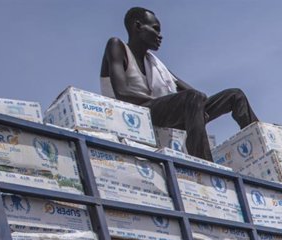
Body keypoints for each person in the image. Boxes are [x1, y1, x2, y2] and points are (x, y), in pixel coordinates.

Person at [101, 7, 259, 161]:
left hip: (160, 112)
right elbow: (122, 93)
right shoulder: (117, 46)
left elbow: (192, 92)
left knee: (234, 95)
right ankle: (204, 163)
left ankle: (263, 144)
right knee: (192, 98)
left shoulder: (154, 64)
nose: (160, 36)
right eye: (155, 29)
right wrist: (193, 101)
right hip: (135, 112)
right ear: (138, 27)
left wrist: (200, 106)